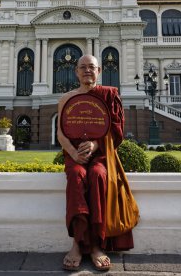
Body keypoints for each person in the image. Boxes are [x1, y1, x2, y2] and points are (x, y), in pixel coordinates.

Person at [57, 54, 136, 271]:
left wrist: (95, 144)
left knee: (99, 175)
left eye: (91, 67)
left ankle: (96, 246)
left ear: (99, 71)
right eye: (82, 67)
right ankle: (77, 243)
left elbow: (116, 131)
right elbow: (61, 133)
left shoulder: (108, 95)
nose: (87, 71)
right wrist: (73, 152)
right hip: (75, 155)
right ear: (76, 72)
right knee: (76, 176)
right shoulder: (66, 98)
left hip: (100, 154)